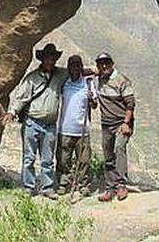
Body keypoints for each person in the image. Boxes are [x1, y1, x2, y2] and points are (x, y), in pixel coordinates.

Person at [3, 43, 68, 198]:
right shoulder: (32, 78)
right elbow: (21, 97)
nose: (50, 61)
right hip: (32, 123)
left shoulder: (60, 75)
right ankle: (28, 187)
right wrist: (12, 112)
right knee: (29, 158)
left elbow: (77, 71)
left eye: (53, 57)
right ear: (42, 59)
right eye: (48, 57)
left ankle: (47, 187)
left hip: (50, 125)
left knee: (47, 159)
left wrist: (95, 70)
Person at [94, 52, 135, 202]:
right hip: (106, 124)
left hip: (121, 123)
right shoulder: (98, 79)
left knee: (119, 149)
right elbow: (85, 71)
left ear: (112, 63)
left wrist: (126, 123)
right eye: (101, 63)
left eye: (106, 63)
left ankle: (121, 185)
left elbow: (130, 103)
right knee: (108, 155)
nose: (104, 66)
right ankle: (110, 188)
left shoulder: (121, 80)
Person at [56, 55, 96, 201]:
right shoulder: (63, 83)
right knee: (63, 159)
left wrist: (92, 100)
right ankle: (63, 184)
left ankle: (83, 185)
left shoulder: (88, 83)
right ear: (68, 67)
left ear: (81, 67)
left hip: (83, 129)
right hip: (65, 128)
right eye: (72, 65)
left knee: (84, 160)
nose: (75, 68)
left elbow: (94, 105)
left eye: (77, 65)